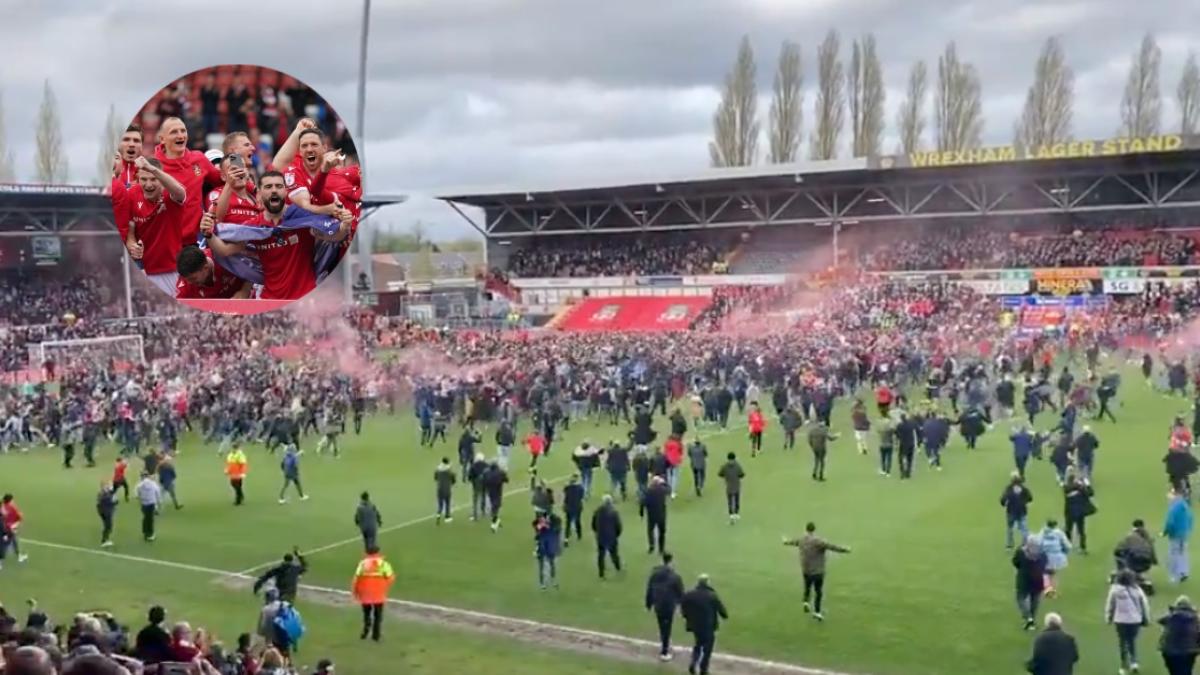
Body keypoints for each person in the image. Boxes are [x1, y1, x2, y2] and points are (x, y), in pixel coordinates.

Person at [782, 522, 850, 621]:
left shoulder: (802, 540)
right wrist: (845, 550)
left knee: (807, 587)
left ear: (806, 529)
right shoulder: (818, 541)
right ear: (814, 530)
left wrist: (785, 541)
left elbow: (793, 542)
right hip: (818, 571)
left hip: (806, 570)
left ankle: (805, 602)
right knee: (818, 592)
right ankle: (817, 612)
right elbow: (832, 547)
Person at [680, 574, 728, 675]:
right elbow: (722, 610)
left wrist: (687, 617)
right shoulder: (712, 595)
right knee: (707, 648)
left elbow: (683, 606)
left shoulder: (690, 594)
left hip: (695, 626)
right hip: (708, 626)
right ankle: (703, 669)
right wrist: (724, 616)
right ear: (707, 582)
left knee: (698, 644)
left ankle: (693, 662)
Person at [1107, 568, 1152, 674]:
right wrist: (1146, 619)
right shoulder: (1137, 590)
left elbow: (1110, 604)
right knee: (1131, 640)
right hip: (1134, 620)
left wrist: (1108, 617)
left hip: (1120, 620)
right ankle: (1134, 662)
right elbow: (1144, 605)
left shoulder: (1115, 589)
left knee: (1122, 641)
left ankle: (1123, 666)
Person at [645, 552, 685, 662]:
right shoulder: (675, 576)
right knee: (667, 627)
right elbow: (681, 592)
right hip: (668, 606)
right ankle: (664, 652)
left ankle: (665, 642)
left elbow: (649, 588)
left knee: (662, 625)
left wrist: (648, 603)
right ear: (671, 561)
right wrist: (682, 606)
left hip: (658, 604)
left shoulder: (655, 574)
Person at [352, 545, 395, 641]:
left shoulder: (362, 564)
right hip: (378, 594)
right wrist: (383, 586)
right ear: (378, 552)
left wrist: (356, 592)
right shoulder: (383, 564)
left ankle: (365, 633)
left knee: (366, 614)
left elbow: (356, 579)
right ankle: (376, 635)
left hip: (365, 594)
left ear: (367, 553)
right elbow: (391, 578)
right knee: (378, 615)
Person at [1158, 595, 1200, 675]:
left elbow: (1160, 620)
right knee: (1186, 671)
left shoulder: (1171, 616)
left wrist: (1171, 611)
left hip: (1169, 651)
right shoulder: (1196, 618)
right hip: (1189, 651)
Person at [1014, 535, 1049, 630]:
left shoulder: (1021, 552)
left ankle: (1028, 618)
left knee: (1020, 598)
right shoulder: (1042, 554)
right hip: (1038, 580)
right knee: (1035, 600)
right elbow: (1045, 565)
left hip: (1024, 579)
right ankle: (1032, 619)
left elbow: (1015, 562)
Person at [1036, 519, 1072, 598]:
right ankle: (1052, 591)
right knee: (1053, 574)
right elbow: (1067, 545)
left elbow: (1038, 543)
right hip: (1056, 557)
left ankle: (1048, 589)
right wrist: (1065, 552)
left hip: (1044, 556)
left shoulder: (1043, 532)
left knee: (1045, 573)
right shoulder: (1059, 533)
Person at [1165, 488, 1194, 584]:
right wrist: (1188, 530)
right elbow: (1191, 519)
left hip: (1175, 535)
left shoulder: (1173, 507)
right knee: (1183, 553)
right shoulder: (1185, 506)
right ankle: (1184, 572)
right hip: (1184, 534)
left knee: (1173, 554)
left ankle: (1174, 576)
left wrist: (1166, 532)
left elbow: (1170, 523)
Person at [1063, 471, 1096, 554]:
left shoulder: (1066, 488)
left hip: (1069, 512)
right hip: (1079, 512)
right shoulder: (1080, 488)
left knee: (1068, 529)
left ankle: (1068, 546)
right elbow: (1090, 493)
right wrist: (1086, 484)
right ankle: (1082, 547)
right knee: (1081, 531)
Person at [591, 494, 623, 579]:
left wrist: (597, 532)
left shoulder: (597, 511)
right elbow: (618, 526)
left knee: (601, 555)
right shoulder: (614, 512)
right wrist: (617, 534)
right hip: (611, 536)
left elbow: (593, 524)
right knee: (614, 553)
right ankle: (618, 567)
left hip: (601, 536)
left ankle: (601, 573)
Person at [1002, 472, 1034, 549]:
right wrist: (1025, 503)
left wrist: (1004, 504)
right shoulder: (1023, 488)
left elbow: (1003, 499)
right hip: (1022, 511)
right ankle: (1025, 544)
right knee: (1024, 528)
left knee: (1010, 529)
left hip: (1011, 511)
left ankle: (1009, 545)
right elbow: (1030, 498)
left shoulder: (1009, 488)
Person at [533, 508, 562, 589]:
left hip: (550, 545)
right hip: (542, 545)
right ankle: (542, 583)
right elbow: (536, 530)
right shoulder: (540, 520)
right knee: (541, 564)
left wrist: (547, 526)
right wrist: (540, 527)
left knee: (551, 563)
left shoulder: (556, 520)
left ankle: (553, 580)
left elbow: (557, 529)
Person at [641, 475, 670, 554]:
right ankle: (661, 549)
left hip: (651, 515)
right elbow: (669, 490)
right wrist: (664, 483)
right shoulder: (662, 490)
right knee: (662, 532)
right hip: (661, 515)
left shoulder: (648, 491)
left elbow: (643, 502)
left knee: (650, 530)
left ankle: (652, 544)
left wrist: (641, 513)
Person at [717, 452, 745, 524]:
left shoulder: (725, 466)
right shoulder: (737, 465)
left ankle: (733, 514)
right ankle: (733, 513)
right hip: (734, 485)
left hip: (731, 485)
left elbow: (720, 474)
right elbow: (742, 474)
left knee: (733, 500)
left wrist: (725, 477)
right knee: (734, 500)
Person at [135, 471, 161, 542]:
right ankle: (150, 534)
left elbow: (137, 495)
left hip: (144, 504)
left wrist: (141, 500)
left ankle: (145, 532)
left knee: (145, 518)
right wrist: (158, 503)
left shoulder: (139, 485)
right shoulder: (153, 484)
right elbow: (157, 493)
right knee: (150, 519)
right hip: (151, 503)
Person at [0, 494, 26, 563]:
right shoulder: (13, 508)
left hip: (3, 529)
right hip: (10, 530)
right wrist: (15, 525)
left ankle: (19, 556)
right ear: (10, 500)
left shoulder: (2, 507)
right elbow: (20, 517)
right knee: (7, 545)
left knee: (13, 542)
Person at [562, 475, 584, 546]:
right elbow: (581, 496)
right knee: (577, 521)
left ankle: (566, 539)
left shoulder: (567, 488)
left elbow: (565, 492)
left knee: (568, 523)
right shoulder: (580, 488)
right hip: (577, 507)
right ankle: (579, 534)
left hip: (569, 507)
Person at [434, 457, 457, 524]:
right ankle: (447, 517)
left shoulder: (438, 469)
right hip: (447, 489)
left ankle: (438, 515)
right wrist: (452, 482)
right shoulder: (449, 470)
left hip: (439, 488)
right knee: (447, 503)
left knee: (440, 504)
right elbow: (453, 479)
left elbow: (435, 478)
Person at [224, 442, 248, 506]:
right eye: (233, 448)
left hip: (238, 473)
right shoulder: (230, 455)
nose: (233, 449)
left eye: (235, 448)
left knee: (237, 486)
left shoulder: (240, 455)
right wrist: (227, 470)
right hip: (232, 473)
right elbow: (228, 464)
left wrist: (243, 473)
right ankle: (241, 496)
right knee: (235, 485)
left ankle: (238, 500)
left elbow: (243, 464)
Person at [96, 481, 117, 548]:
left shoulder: (105, 493)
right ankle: (104, 541)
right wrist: (114, 501)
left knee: (108, 526)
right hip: (106, 512)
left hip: (105, 511)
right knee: (108, 527)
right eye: (106, 486)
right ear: (103, 487)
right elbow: (108, 502)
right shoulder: (103, 494)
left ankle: (106, 539)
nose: (108, 486)